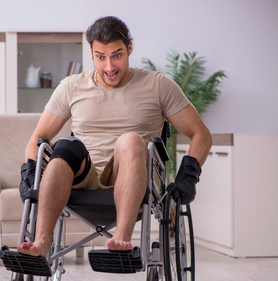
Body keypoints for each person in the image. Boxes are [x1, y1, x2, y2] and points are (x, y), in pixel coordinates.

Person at [17, 16, 212, 260]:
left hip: (131, 172)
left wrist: (188, 177)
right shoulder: (71, 86)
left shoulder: (158, 85)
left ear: (129, 48)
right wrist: (28, 172)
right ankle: (41, 242)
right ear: (91, 53)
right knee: (64, 147)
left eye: (117, 55)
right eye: (101, 57)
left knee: (129, 140)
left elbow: (201, 134)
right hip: (82, 175)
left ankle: (121, 237)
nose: (109, 67)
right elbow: (39, 137)